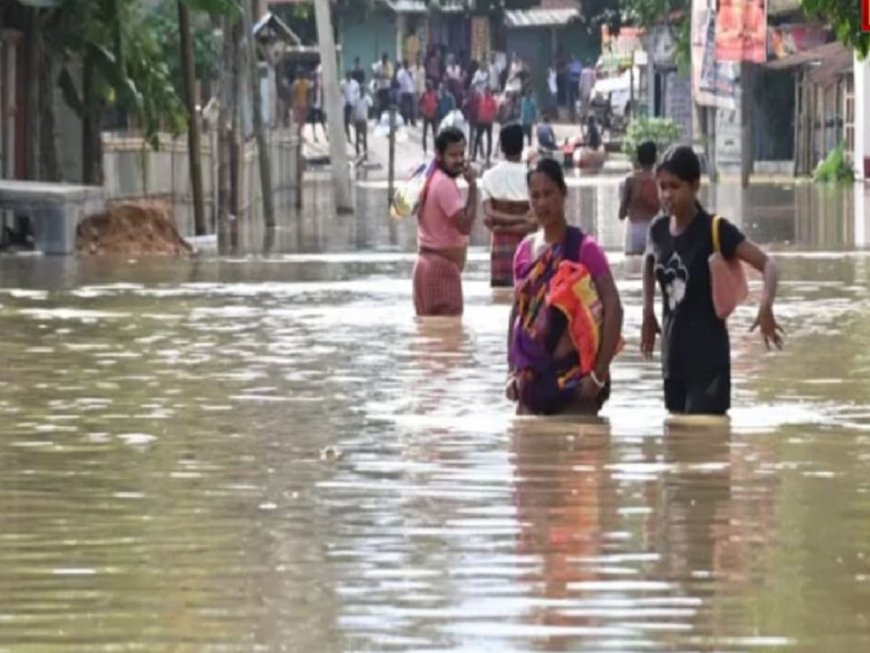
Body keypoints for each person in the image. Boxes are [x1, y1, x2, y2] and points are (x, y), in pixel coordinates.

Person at [641, 145, 783, 416]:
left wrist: (765, 307)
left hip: (708, 362)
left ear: (694, 186)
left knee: (705, 439)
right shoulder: (657, 230)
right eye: (662, 187)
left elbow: (768, 264)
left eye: (674, 186)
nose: (667, 195)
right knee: (677, 441)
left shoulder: (714, 229)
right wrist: (648, 312)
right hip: (673, 360)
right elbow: (649, 264)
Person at [507, 159, 623, 415]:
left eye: (549, 194)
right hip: (532, 381)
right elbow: (518, 313)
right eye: (535, 196)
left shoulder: (584, 248)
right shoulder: (524, 251)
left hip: (576, 382)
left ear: (563, 193)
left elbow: (614, 307)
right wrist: (511, 371)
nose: (542, 203)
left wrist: (598, 375)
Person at [413, 127, 478, 316]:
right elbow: (465, 226)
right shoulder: (444, 184)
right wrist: (473, 185)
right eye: (453, 155)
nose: (459, 160)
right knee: (450, 340)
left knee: (432, 338)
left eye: (461, 154)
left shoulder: (431, 178)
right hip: (441, 269)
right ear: (439, 155)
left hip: (425, 267)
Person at [481, 124, 537, 287]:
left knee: (501, 290)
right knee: (529, 293)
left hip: (500, 243)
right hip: (528, 241)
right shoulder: (533, 177)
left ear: (502, 147)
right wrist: (522, 218)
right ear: (522, 145)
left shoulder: (489, 176)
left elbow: (489, 213)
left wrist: (501, 228)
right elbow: (534, 221)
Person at [619, 140, 660, 255]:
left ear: (638, 159)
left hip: (634, 230)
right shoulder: (660, 180)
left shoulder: (630, 180)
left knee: (632, 266)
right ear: (655, 158)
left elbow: (621, 214)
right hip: (655, 230)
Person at [474, 87, 498, 165]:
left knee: (489, 139)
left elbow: (495, 110)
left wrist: (492, 117)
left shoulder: (492, 100)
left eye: (487, 91)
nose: (486, 92)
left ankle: (488, 156)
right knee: (477, 138)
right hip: (481, 121)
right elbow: (478, 108)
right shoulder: (481, 99)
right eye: (485, 91)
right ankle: (474, 155)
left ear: (489, 92)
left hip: (488, 122)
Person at [419, 80, 439, 154]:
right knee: (424, 133)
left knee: (435, 134)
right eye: (428, 86)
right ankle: (424, 149)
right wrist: (423, 110)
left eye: (430, 85)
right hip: (426, 116)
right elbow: (420, 103)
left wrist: (436, 107)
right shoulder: (424, 94)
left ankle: (435, 148)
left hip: (434, 116)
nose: (429, 87)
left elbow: (438, 102)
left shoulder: (435, 94)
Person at [352, 87, 373, 158]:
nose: (362, 92)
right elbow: (354, 108)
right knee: (357, 138)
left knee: (364, 138)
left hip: (364, 120)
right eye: (361, 90)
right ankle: (357, 153)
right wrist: (353, 119)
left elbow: (371, 105)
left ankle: (365, 154)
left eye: (363, 91)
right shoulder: (356, 98)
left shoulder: (367, 98)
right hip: (357, 119)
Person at [291, 70, 312, 139]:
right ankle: (299, 132)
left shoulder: (306, 83)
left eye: (302, 74)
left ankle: (299, 132)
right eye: (300, 74)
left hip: (304, 103)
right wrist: (294, 103)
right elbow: (294, 93)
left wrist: (309, 102)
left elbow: (309, 93)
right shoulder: (296, 83)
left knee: (302, 119)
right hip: (299, 104)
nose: (301, 75)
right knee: (299, 119)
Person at [397, 60, 417, 127]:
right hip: (404, 91)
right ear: (403, 64)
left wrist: (411, 75)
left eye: (407, 64)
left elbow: (414, 80)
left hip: (411, 91)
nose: (406, 65)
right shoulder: (400, 72)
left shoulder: (411, 71)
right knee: (405, 108)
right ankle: (405, 121)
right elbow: (399, 80)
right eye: (405, 64)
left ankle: (413, 121)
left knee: (412, 108)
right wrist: (404, 73)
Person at [341, 70, 360, 140]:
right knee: (346, 122)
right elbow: (340, 93)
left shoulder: (355, 83)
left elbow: (357, 92)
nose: (348, 77)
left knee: (355, 122)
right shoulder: (342, 83)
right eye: (347, 76)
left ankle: (358, 136)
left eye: (349, 75)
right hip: (346, 104)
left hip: (353, 104)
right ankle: (348, 136)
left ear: (351, 76)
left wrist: (356, 101)